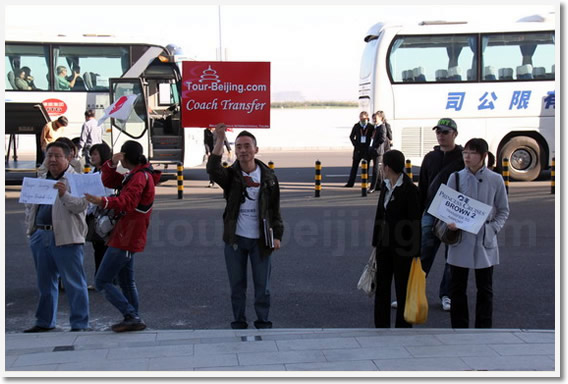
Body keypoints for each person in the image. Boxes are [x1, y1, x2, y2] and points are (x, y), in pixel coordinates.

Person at [206, 123, 284, 330]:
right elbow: (213, 169)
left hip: (261, 240)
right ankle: (239, 321)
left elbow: (274, 210)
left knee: (262, 287)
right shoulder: (231, 176)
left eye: (247, 146)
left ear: (256, 150)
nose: (243, 150)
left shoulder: (269, 177)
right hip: (235, 239)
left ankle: (263, 321)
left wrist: (277, 235)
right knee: (237, 286)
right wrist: (220, 140)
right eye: (239, 146)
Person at [84, 141, 161, 332]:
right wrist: (110, 164)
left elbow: (127, 202)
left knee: (102, 281)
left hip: (127, 235)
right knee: (126, 281)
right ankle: (134, 318)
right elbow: (109, 181)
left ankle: (131, 315)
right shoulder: (137, 174)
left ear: (126, 156)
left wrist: (102, 201)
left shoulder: (139, 177)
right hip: (126, 233)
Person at [23, 141, 90, 332]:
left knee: (74, 283)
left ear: (68, 157)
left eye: (57, 156)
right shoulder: (41, 177)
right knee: (45, 282)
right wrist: (32, 229)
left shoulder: (77, 180)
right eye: (49, 155)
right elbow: (30, 206)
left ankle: (79, 324)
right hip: (40, 234)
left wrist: (64, 195)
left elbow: (81, 206)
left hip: (67, 237)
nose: (52, 160)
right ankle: (44, 321)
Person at [446, 138, 509, 328]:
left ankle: (484, 328)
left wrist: (492, 229)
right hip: (460, 238)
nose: (467, 156)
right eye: (465, 152)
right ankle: (459, 327)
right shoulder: (455, 177)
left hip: (484, 237)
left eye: (472, 153)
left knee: (485, 288)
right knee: (457, 288)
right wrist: (449, 222)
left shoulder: (495, 179)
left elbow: (503, 210)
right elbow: (446, 207)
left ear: (483, 156)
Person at [418, 118, 464, 312]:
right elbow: (422, 187)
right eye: (438, 132)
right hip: (430, 211)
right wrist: (417, 213)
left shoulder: (463, 157)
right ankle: (414, 293)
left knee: (451, 257)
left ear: (454, 134)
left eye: (445, 132)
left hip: (453, 214)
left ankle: (447, 295)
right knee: (423, 255)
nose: (441, 135)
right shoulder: (429, 157)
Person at [372, 150, 421, 328]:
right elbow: (380, 215)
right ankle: (381, 325)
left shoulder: (410, 190)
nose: (381, 168)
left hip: (403, 249)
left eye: (382, 164)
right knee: (382, 288)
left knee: (403, 290)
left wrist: (415, 252)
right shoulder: (385, 185)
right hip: (384, 246)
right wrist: (375, 242)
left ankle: (403, 326)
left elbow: (415, 223)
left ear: (388, 166)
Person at [85, 142, 113, 288]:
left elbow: (109, 193)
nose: (92, 157)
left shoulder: (108, 173)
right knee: (98, 247)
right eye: (91, 154)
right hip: (93, 213)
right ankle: (101, 278)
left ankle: (104, 280)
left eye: (95, 154)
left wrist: (96, 200)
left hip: (104, 214)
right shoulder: (93, 172)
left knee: (104, 247)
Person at [344, 111, 374, 187]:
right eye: (360, 117)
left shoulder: (370, 127)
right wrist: (355, 145)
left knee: (366, 168)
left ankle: (365, 182)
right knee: (354, 167)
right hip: (358, 149)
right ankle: (350, 183)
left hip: (366, 149)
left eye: (363, 118)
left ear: (367, 118)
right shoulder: (356, 126)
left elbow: (373, 137)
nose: (362, 119)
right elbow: (351, 136)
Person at [367, 113, 386, 193]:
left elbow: (382, 138)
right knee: (378, 169)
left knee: (376, 169)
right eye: (373, 118)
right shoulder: (376, 127)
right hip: (373, 150)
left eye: (376, 118)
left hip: (378, 151)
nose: (374, 120)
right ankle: (379, 185)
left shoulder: (382, 127)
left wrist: (375, 146)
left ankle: (372, 187)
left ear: (381, 118)